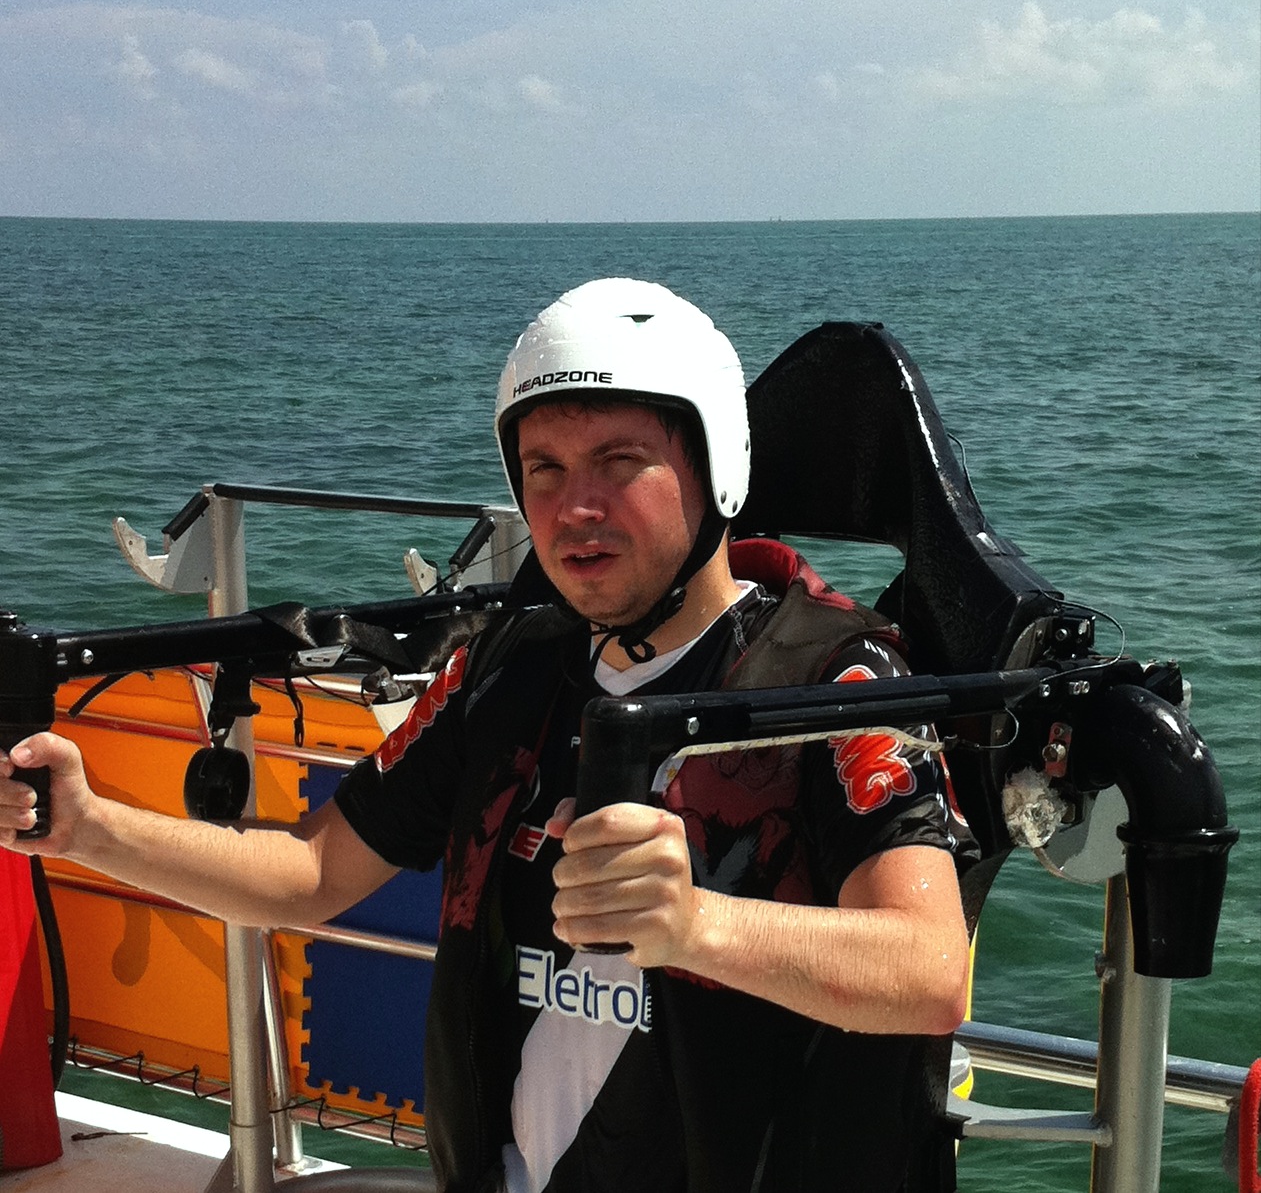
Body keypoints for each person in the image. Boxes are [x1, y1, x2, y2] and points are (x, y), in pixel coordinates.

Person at [1, 279, 971, 1193]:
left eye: (618, 461)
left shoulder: (837, 679)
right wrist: (85, 826)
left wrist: (693, 924)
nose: (574, 507)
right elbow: (311, 872)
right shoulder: (507, 670)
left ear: (717, 468)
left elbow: (927, 971)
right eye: (543, 468)